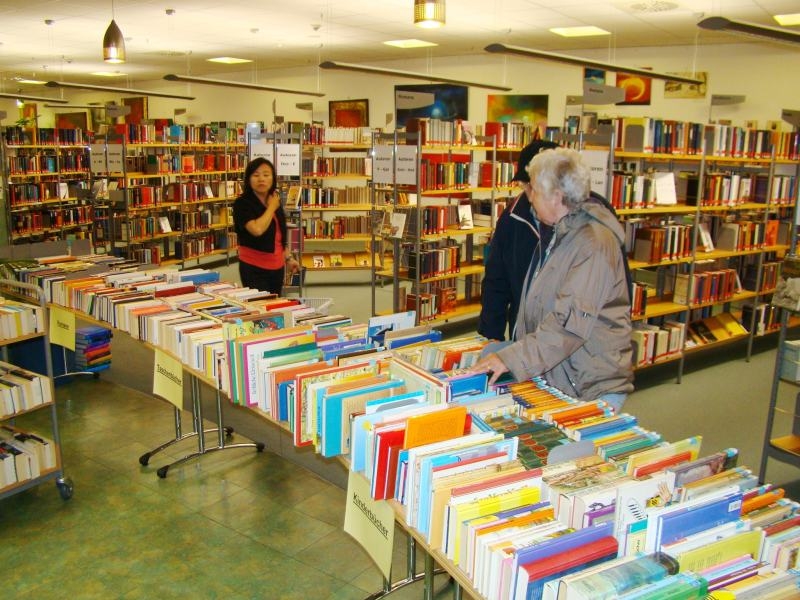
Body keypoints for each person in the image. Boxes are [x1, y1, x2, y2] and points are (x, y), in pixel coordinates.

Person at [471, 147, 633, 412]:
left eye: (534, 189)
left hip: (586, 387)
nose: (529, 198)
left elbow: (567, 327)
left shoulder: (593, 244)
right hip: (558, 375)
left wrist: (511, 358)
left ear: (556, 197)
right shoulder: (560, 233)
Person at [477, 140, 559, 342]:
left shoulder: (588, 226)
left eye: (533, 187)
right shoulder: (513, 218)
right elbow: (496, 280)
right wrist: (491, 336)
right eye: (525, 186)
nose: (528, 195)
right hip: (523, 336)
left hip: (567, 346)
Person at [232, 157, 299, 295]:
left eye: (266, 175)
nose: (261, 179)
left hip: (277, 267)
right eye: (256, 175)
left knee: (274, 307)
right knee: (261, 308)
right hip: (254, 267)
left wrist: (289, 258)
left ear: (273, 179)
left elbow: (279, 236)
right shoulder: (242, 204)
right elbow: (257, 229)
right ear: (248, 179)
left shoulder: (273, 199)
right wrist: (272, 208)